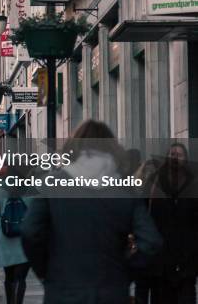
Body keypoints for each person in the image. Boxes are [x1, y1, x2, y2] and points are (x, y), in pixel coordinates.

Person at [21, 120, 163, 304]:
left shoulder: (53, 185)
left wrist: (47, 271)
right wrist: (124, 273)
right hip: (111, 292)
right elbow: (151, 241)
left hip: (63, 291)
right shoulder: (124, 190)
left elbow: (30, 231)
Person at [135, 142, 198, 304]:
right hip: (160, 259)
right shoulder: (154, 181)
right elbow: (142, 212)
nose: (175, 157)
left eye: (179, 154)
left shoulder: (193, 182)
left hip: (186, 258)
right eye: (172, 153)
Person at [0, 165, 34, 304]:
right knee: (22, 278)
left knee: (9, 276)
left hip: (6, 238)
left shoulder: (1, 188)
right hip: (26, 240)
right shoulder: (31, 189)